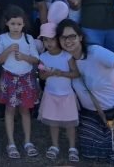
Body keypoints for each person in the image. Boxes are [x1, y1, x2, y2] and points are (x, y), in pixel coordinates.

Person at [57, 19, 114, 165]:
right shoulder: (66, 59)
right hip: (89, 117)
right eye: (63, 37)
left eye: (72, 36)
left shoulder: (96, 52)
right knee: (90, 156)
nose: (68, 41)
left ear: (80, 37)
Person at [0, 5, 40, 159]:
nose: (16, 27)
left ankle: (27, 141)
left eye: (19, 24)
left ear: (24, 24)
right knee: (9, 110)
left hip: (26, 78)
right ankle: (11, 142)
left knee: (25, 110)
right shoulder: (1, 39)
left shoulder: (28, 39)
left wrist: (24, 57)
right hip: (9, 78)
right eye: (13, 24)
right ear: (6, 23)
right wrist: (7, 50)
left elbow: (36, 59)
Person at [37, 22, 80, 163]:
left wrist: (60, 73)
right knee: (53, 121)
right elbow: (41, 76)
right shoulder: (43, 57)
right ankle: (55, 145)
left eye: (51, 39)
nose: (48, 43)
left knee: (70, 123)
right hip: (50, 94)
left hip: (67, 94)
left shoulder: (66, 56)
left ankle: (72, 147)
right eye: (45, 40)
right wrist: (48, 73)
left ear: (58, 39)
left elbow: (75, 73)